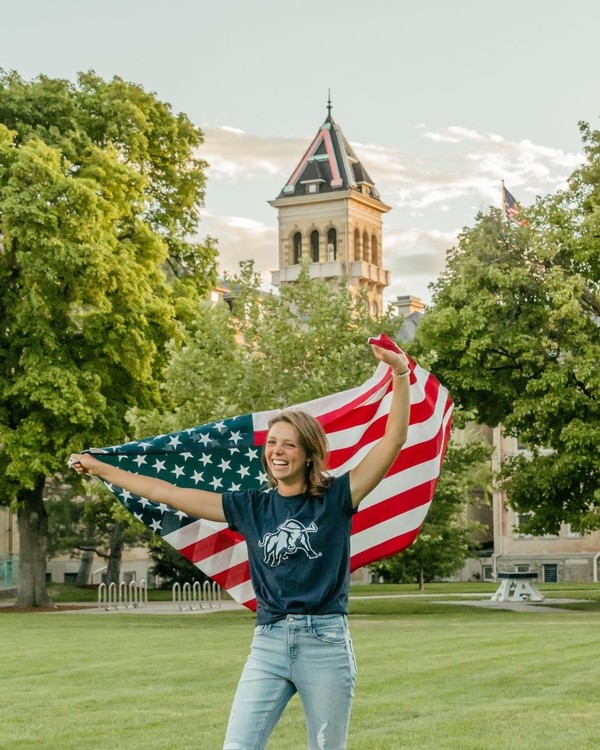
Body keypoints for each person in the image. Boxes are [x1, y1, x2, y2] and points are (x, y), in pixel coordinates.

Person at [70, 341, 411, 750]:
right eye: (272, 443)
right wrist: (101, 468)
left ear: (307, 453)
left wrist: (400, 374)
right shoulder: (250, 506)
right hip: (268, 642)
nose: (277, 451)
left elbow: (393, 441)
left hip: (325, 644)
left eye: (288, 444)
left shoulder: (336, 497)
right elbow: (167, 491)